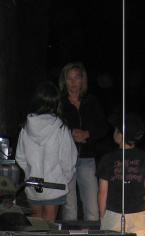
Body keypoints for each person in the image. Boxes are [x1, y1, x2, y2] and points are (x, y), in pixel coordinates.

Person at [15, 81, 77, 223]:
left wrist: (30, 172)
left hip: (32, 184)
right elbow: (68, 159)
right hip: (55, 185)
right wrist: (63, 178)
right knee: (49, 227)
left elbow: (20, 156)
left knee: (36, 225)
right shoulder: (60, 127)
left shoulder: (25, 127)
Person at [58, 62, 109, 224]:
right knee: (69, 207)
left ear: (83, 80)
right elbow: (53, 128)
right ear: (64, 81)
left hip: (87, 158)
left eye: (77, 78)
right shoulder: (59, 103)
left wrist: (88, 133)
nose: (73, 83)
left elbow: (103, 127)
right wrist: (70, 134)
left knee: (92, 207)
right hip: (65, 160)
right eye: (69, 78)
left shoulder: (91, 101)